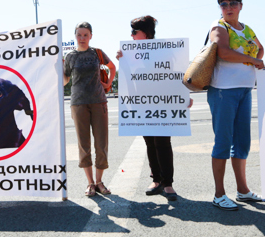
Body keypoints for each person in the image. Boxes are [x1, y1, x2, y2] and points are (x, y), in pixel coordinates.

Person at [207, 0, 265, 210]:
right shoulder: (218, 26)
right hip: (223, 90)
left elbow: (259, 49)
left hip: (244, 89)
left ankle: (242, 190)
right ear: (220, 8)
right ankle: (219, 194)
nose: (229, 8)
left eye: (233, 3)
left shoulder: (246, 28)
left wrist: (255, 59)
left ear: (241, 5)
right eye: (224, 4)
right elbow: (223, 52)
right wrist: (252, 61)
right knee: (223, 141)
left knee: (242, 142)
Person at [116, 15, 181, 201]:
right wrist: (123, 60)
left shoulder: (164, 50)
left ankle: (168, 183)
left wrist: (182, 97)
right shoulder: (130, 53)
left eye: (135, 31)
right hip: (141, 102)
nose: (131, 35)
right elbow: (128, 79)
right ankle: (156, 179)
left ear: (146, 33)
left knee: (163, 142)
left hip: (162, 102)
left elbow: (173, 75)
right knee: (150, 143)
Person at [64, 21, 116, 197]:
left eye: (85, 34)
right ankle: (90, 183)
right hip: (78, 103)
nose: (82, 38)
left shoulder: (97, 53)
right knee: (83, 145)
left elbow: (112, 67)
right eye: (79, 34)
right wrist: (53, 68)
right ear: (75, 36)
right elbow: (65, 79)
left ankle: (100, 181)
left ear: (91, 36)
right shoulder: (70, 56)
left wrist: (108, 83)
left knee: (101, 144)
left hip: (98, 102)